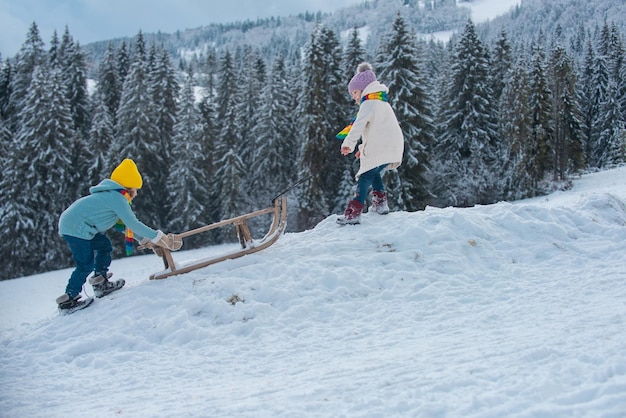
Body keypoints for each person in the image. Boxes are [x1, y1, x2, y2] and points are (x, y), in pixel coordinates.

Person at [55, 159, 181, 313]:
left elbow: (122, 226)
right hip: (75, 228)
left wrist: (145, 240)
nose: (137, 194)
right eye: (136, 189)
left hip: (79, 226)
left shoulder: (111, 196)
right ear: (128, 188)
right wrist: (158, 236)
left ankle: (100, 282)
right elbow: (133, 223)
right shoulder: (117, 198)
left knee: (104, 246)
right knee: (85, 264)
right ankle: (69, 299)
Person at [336, 62, 404, 225]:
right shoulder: (381, 101)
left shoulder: (368, 103)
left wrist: (348, 144)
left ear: (363, 89)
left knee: (365, 175)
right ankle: (380, 204)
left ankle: (354, 213)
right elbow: (375, 130)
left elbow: (359, 126)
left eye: (354, 92)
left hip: (382, 145)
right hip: (391, 144)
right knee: (373, 172)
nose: (354, 96)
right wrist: (363, 149)